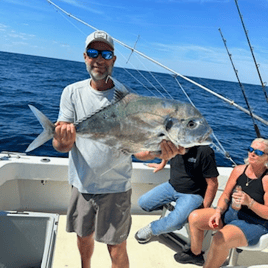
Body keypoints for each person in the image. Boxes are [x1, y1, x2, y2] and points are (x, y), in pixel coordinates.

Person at [52, 30, 181, 268]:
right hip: (81, 184)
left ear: (113, 59)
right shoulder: (71, 92)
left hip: (116, 187)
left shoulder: (128, 99)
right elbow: (61, 146)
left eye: (105, 53)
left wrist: (158, 152)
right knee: (83, 236)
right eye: (93, 52)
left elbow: (136, 150)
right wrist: (63, 138)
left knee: (117, 245)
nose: (98, 59)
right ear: (84, 56)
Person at [175, 138, 268, 267]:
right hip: (232, 212)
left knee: (220, 238)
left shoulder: (266, 179)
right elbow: (225, 194)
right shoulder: (239, 170)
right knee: (195, 217)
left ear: (266, 158)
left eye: (258, 152)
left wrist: (250, 202)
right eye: (251, 149)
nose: (252, 154)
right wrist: (218, 212)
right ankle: (195, 255)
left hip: (254, 223)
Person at [135, 144, 219, 259]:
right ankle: (177, 215)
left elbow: (213, 183)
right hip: (171, 186)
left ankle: (153, 227)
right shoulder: (173, 143)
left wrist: (205, 208)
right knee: (143, 203)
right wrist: (162, 164)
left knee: (175, 223)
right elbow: (166, 153)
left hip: (193, 194)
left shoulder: (204, 151)